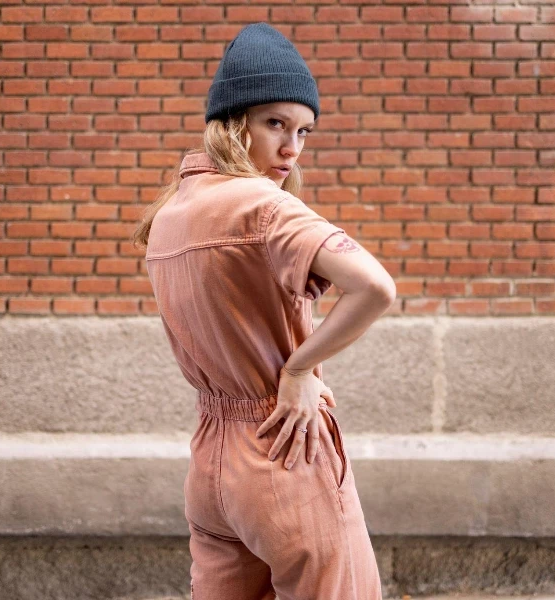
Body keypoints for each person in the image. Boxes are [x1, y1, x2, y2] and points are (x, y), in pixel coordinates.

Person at [132, 22, 396, 600]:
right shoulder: (263, 206)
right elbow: (375, 287)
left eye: (303, 130)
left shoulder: (169, 215)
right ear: (233, 121)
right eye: (275, 123)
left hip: (210, 464)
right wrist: (299, 369)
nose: (292, 148)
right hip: (285, 450)